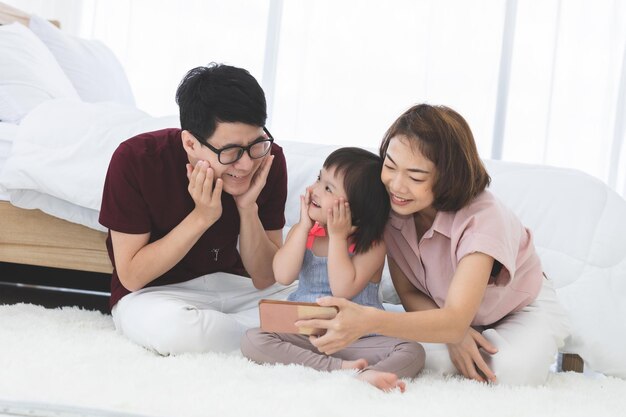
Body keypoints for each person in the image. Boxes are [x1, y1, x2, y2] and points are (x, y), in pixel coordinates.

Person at [296, 104, 571, 386]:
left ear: (448, 178)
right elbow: (408, 290)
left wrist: (373, 320)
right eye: (390, 166)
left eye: (415, 177)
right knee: (418, 357)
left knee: (506, 372)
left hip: (517, 308)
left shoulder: (484, 220)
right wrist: (455, 333)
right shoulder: (391, 209)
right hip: (447, 311)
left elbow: (453, 319)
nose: (397, 186)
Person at [99, 63, 295, 355]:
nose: (245, 164)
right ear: (190, 142)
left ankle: (276, 333)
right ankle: (280, 335)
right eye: (230, 152)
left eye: (255, 144)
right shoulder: (136, 160)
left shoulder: (266, 159)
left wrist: (247, 208)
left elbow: (265, 277)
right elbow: (132, 276)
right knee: (179, 332)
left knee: (317, 308)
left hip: (242, 290)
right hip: (157, 295)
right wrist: (202, 217)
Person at [240, 148, 425, 392]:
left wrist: (338, 237)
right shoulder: (304, 232)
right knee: (253, 339)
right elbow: (282, 275)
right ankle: (336, 367)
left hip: (358, 337)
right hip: (308, 335)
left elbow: (343, 288)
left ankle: (369, 374)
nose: (315, 189)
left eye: (329, 188)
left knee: (412, 350)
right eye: (319, 178)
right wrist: (303, 226)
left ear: (357, 210)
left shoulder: (372, 245)